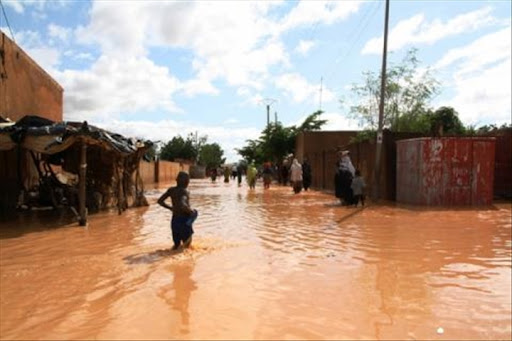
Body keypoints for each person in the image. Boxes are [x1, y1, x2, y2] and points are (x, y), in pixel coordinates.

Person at [158, 172, 198, 250]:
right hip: (184, 221)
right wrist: (191, 211)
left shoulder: (171, 190)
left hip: (174, 221)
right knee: (187, 248)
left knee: (176, 246)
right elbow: (183, 204)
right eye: (187, 180)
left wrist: (170, 208)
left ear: (177, 180)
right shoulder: (184, 191)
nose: (188, 182)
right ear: (186, 182)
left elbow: (160, 201)